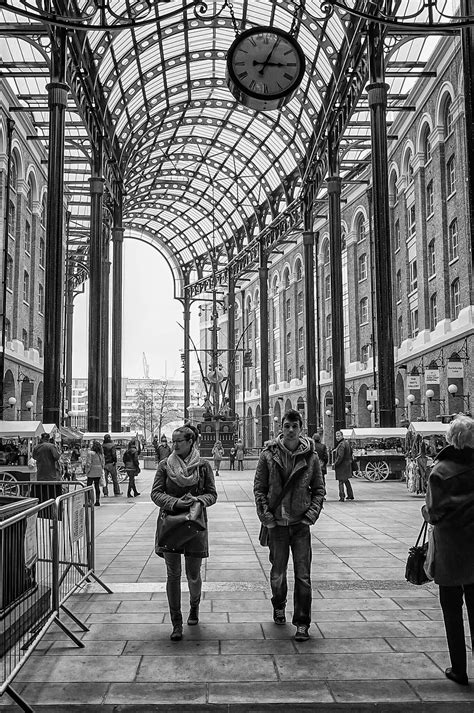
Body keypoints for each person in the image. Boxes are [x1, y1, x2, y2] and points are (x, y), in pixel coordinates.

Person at [254, 408, 325, 642]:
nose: (291, 430)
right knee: (278, 572)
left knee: (303, 575)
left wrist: (310, 515)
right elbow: (260, 489)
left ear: (301, 428)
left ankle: (302, 622)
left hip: (300, 524)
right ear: (281, 428)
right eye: (287, 426)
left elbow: (319, 490)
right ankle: (279, 603)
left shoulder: (311, 457)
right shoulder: (268, 456)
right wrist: (266, 516)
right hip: (277, 526)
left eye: (295, 426)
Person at [151, 424, 217, 641]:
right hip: (170, 524)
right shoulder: (164, 465)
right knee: (173, 574)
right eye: (173, 440)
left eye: (179, 441)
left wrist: (198, 500)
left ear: (191, 442)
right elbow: (156, 493)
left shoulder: (203, 466)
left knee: (193, 573)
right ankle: (176, 622)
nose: (174, 444)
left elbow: (212, 494)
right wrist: (176, 502)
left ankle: (194, 607)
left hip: (194, 525)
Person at [422, 414, 474, 686]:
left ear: (451, 438)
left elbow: (434, 512)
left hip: (451, 550)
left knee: (452, 611)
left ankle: (459, 669)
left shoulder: (440, 471)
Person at [333, 430, 354, 502]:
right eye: (336, 436)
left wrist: (335, 464)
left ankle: (342, 496)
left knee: (341, 481)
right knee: (346, 480)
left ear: (342, 436)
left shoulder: (341, 444)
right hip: (347, 465)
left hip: (342, 466)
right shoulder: (347, 443)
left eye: (338, 436)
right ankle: (350, 495)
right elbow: (351, 452)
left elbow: (340, 456)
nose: (337, 437)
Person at [85, 440, 105, 506]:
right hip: (98, 471)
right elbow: (103, 463)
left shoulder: (90, 453)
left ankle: (89, 501)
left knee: (89, 486)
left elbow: (88, 463)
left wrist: (86, 471)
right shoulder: (100, 454)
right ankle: (97, 501)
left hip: (91, 471)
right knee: (97, 486)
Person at [312, 432, 328, 499]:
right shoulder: (323, 446)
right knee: (322, 480)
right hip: (321, 466)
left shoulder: (311, 446)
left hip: (313, 466)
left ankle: (314, 494)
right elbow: (326, 457)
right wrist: (324, 463)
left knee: (313, 480)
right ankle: (322, 494)